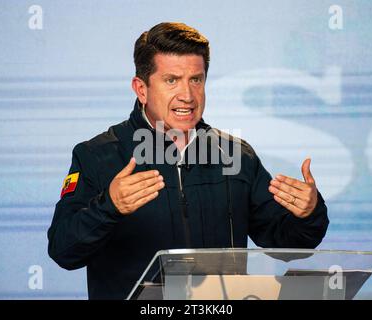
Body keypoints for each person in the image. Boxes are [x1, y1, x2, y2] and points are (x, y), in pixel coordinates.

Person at [47, 22, 329, 300]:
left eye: (196, 79)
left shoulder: (236, 155)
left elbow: (288, 244)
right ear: (141, 88)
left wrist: (309, 213)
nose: (188, 95)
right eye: (171, 80)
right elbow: (63, 251)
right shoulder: (98, 156)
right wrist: (109, 206)